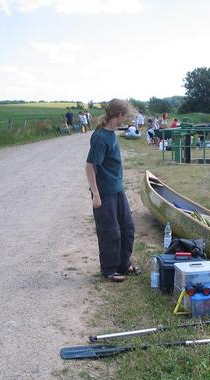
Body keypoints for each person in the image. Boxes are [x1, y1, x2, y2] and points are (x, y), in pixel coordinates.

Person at [85, 99, 140, 282]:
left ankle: (123, 264)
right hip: (105, 192)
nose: (126, 120)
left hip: (117, 189)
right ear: (119, 115)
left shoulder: (112, 134)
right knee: (110, 232)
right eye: (126, 116)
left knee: (127, 228)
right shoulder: (100, 137)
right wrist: (96, 194)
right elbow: (90, 166)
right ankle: (109, 270)